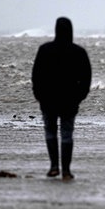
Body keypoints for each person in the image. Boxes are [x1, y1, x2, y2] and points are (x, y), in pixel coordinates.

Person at [32, 17, 92, 180]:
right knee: (66, 134)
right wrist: (80, 96)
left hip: (48, 100)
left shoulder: (45, 50)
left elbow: (36, 75)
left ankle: (54, 167)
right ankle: (65, 170)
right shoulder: (78, 52)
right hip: (69, 101)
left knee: (50, 132)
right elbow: (86, 77)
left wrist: (38, 95)